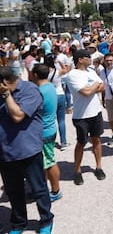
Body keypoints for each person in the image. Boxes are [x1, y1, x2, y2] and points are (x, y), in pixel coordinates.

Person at [0, 66, 54, 234]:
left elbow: (17, 116)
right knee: (13, 191)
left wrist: (7, 95)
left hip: (27, 150)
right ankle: (19, 223)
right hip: (5, 152)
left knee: (38, 188)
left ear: (4, 83)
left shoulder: (30, 90)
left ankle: (46, 220)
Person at [63, 49, 106, 185]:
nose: (90, 58)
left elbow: (103, 86)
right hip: (81, 115)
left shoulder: (91, 71)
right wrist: (94, 86)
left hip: (96, 112)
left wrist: (91, 88)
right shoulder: (73, 75)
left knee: (96, 140)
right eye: (88, 57)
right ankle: (77, 170)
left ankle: (98, 166)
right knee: (81, 143)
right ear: (80, 59)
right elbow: (86, 92)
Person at [32, 64, 62, 202]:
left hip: (44, 131)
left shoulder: (40, 91)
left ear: (35, 75)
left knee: (49, 161)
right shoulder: (50, 86)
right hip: (49, 127)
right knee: (44, 161)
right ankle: (42, 188)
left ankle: (55, 191)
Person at [99, 53, 113, 143]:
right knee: (111, 118)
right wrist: (103, 99)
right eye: (107, 60)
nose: (109, 62)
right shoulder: (103, 72)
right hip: (108, 98)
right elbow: (102, 86)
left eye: (111, 60)